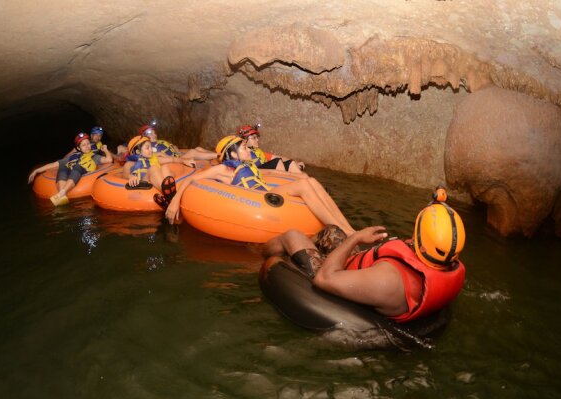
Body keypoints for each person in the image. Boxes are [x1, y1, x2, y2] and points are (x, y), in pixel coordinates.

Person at [262, 190, 467, 322]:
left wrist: (355, 238)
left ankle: (256, 256)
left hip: (334, 276)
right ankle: (298, 255)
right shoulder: (444, 259)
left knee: (292, 235)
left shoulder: (388, 282)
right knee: (332, 231)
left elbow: (324, 278)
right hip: (363, 271)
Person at [163, 135, 355, 235]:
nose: (248, 149)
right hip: (256, 200)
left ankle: (347, 228)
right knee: (305, 187)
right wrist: (174, 202)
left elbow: (268, 172)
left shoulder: (248, 165)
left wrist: (298, 174)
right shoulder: (223, 169)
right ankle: (341, 230)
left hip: (267, 191)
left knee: (309, 181)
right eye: (244, 147)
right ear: (233, 153)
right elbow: (191, 179)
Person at [28, 132, 113, 205]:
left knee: (77, 167)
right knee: (63, 167)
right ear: (79, 148)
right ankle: (62, 195)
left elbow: (109, 160)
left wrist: (105, 150)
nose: (87, 146)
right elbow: (54, 164)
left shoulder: (94, 156)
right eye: (84, 145)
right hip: (71, 174)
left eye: (88, 144)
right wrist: (36, 171)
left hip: (82, 173)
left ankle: (62, 193)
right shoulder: (73, 157)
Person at [125, 135, 177, 209]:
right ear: (138, 151)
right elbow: (125, 175)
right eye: (147, 148)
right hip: (143, 182)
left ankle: (167, 198)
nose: (151, 150)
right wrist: (131, 176)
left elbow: (172, 162)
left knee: (164, 167)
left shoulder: (153, 160)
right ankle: (171, 196)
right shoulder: (130, 164)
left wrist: (171, 174)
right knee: (154, 168)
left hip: (155, 181)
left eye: (151, 147)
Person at [237, 124, 305, 174]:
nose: (257, 140)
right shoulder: (242, 153)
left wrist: (296, 163)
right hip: (259, 175)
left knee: (291, 163)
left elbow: (277, 157)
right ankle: (285, 184)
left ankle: (302, 183)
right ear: (244, 141)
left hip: (267, 172)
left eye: (257, 137)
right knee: (277, 161)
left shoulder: (258, 152)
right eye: (254, 138)